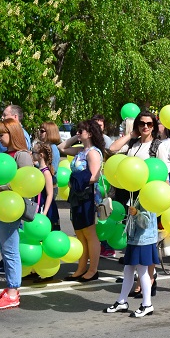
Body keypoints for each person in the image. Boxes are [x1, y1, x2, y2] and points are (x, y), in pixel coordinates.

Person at [109, 111, 167, 294]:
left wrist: (162, 200)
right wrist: (130, 135)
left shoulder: (158, 146)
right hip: (132, 197)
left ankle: (148, 279)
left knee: (147, 240)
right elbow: (112, 149)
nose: (145, 127)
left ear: (154, 126)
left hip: (150, 197)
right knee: (134, 238)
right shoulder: (133, 144)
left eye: (149, 124)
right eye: (142, 123)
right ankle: (146, 277)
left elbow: (164, 174)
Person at [0, 119, 33, 309]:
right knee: (4, 248)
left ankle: (13, 292)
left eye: (2, 134)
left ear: (13, 134)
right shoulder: (4, 153)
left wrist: (1, 187)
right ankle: (11, 288)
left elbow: (26, 182)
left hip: (10, 209)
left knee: (10, 251)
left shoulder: (22, 155)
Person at [59, 119, 105, 281]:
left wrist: (76, 181)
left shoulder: (93, 152)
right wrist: (76, 137)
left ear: (90, 133)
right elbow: (61, 148)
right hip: (77, 196)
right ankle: (81, 268)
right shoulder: (81, 151)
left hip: (88, 196)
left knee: (89, 233)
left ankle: (93, 270)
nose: (78, 132)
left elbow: (94, 176)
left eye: (81, 130)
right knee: (79, 232)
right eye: (77, 130)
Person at [103, 199, 159, 318]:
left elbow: (145, 223)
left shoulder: (148, 196)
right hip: (134, 239)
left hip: (143, 240)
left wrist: (136, 213)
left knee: (142, 271)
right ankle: (122, 301)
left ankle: (147, 304)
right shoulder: (138, 195)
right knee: (128, 269)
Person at [37, 122, 62, 230]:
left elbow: (53, 169)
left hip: (49, 185)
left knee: (49, 212)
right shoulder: (44, 147)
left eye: (42, 131)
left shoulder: (53, 148)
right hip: (43, 186)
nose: (40, 133)